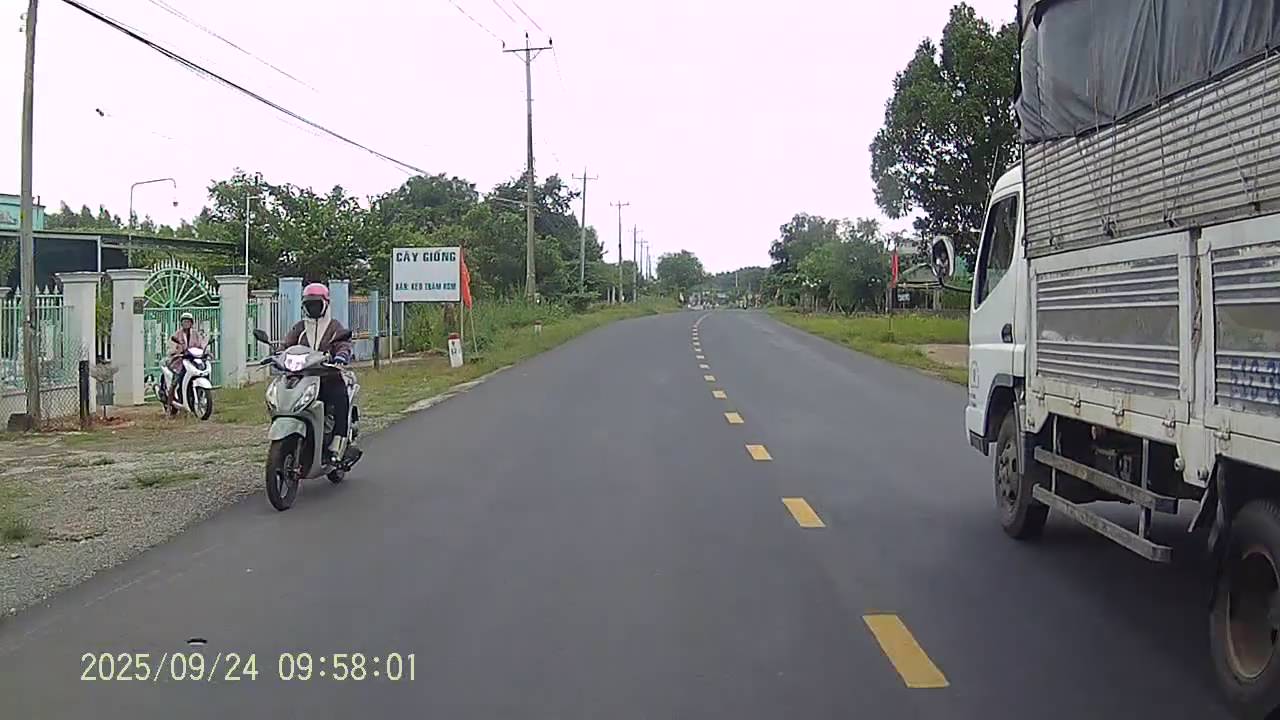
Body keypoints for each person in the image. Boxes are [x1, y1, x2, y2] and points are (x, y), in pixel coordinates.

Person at [282, 283, 354, 460]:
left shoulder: (334, 327)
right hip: (301, 377)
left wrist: (341, 356)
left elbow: (343, 344)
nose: (312, 308)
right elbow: (287, 345)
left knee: (340, 397)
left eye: (316, 304)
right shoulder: (300, 328)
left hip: (328, 376)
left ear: (325, 304)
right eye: (309, 304)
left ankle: (338, 440)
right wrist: (277, 355)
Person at [167, 312, 207, 406]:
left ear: (191, 323)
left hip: (193, 361)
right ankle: (169, 404)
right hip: (180, 362)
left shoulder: (196, 334)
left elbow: (202, 345)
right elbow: (172, 346)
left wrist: (206, 352)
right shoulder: (177, 334)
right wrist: (176, 352)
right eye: (184, 321)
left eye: (188, 322)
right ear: (181, 323)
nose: (186, 323)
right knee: (176, 380)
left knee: (203, 373)